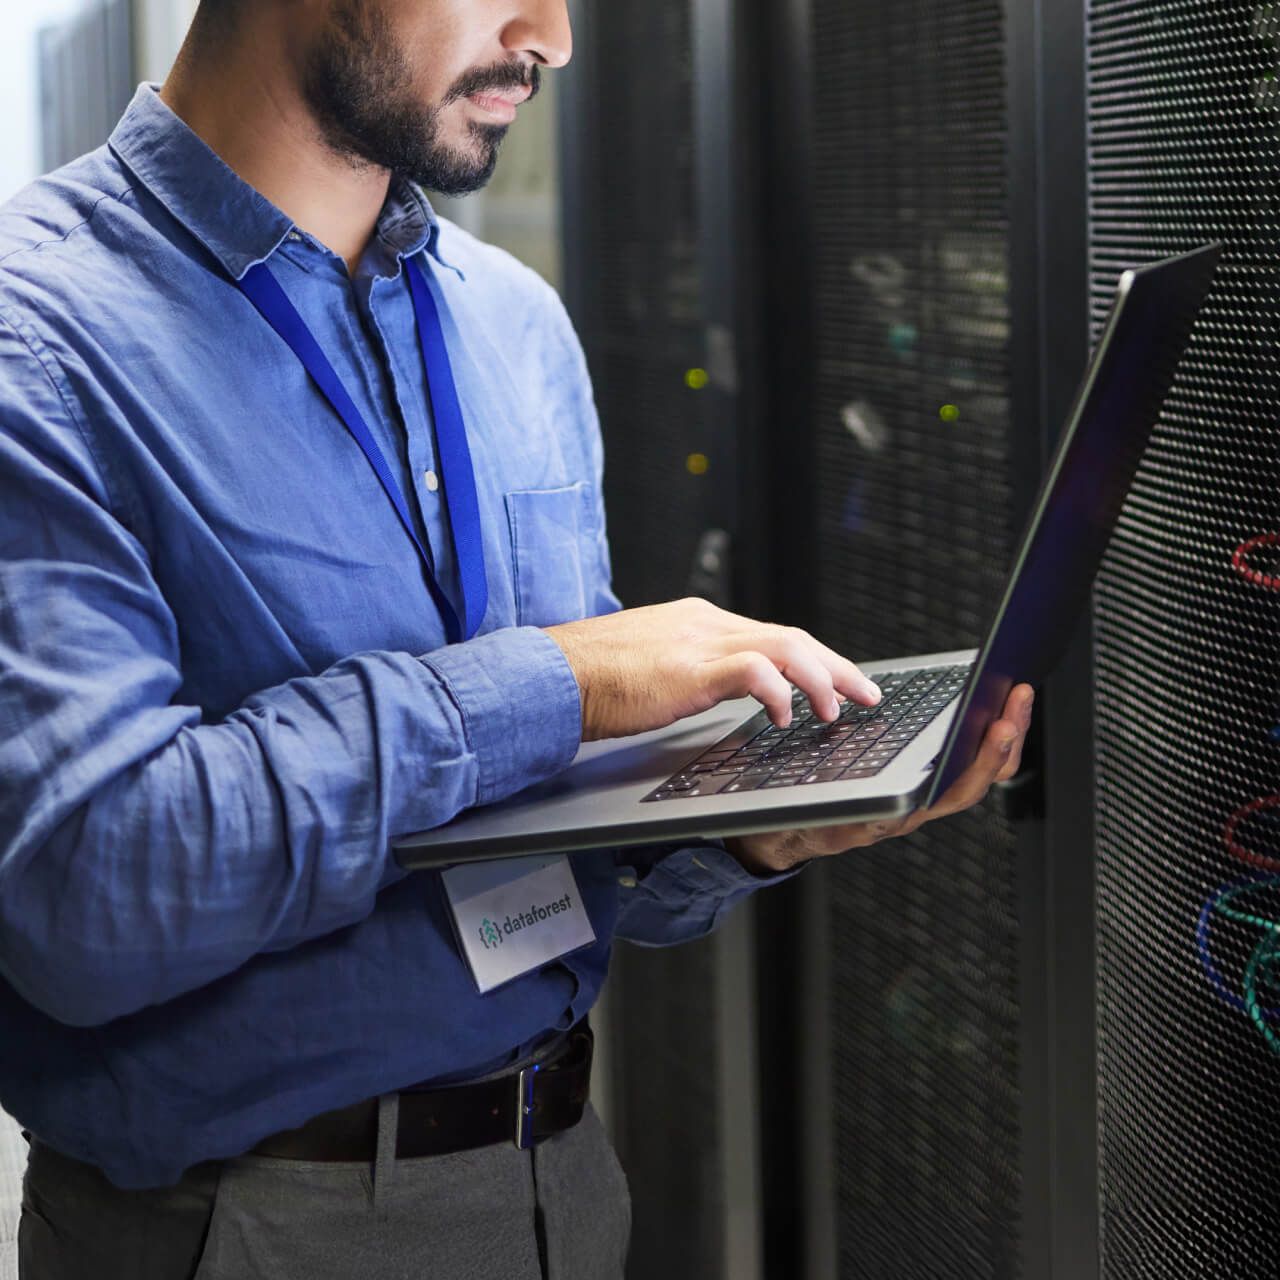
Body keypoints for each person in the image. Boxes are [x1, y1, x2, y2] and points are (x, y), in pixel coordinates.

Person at [0, 1, 1034, 1276]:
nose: (551, 36)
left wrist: (734, 832)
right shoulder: (36, 335)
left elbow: (555, 811)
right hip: (249, 1222)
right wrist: (558, 679)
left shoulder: (513, 323)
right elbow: (83, 892)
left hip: (563, 1179)